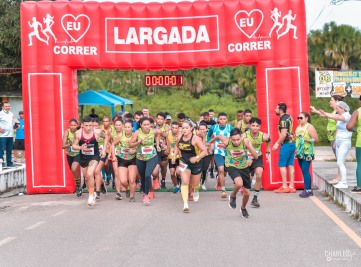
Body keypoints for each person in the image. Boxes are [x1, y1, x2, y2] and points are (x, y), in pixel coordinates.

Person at [209, 128, 259, 218]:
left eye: (238, 139)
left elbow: (256, 156)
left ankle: (243, 208)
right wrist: (210, 142)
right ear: (230, 138)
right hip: (231, 165)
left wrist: (249, 146)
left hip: (243, 167)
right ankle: (233, 195)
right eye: (234, 140)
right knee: (239, 183)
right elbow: (218, 136)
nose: (236, 142)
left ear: (241, 137)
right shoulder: (226, 141)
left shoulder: (245, 141)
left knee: (247, 193)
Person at [172, 120, 207, 213]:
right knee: (185, 181)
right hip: (184, 161)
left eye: (186, 128)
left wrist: (197, 157)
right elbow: (176, 146)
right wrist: (175, 156)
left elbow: (204, 151)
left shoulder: (196, 139)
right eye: (183, 128)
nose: (184, 130)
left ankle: (195, 190)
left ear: (191, 129)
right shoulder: (179, 137)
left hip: (196, 162)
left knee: (195, 185)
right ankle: (185, 204)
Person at [72, 116, 106, 206]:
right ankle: (92, 192)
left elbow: (107, 136)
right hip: (83, 157)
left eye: (90, 125)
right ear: (82, 125)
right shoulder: (78, 133)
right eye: (86, 125)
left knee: (90, 174)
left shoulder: (97, 132)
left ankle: (91, 196)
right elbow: (73, 146)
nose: (88, 128)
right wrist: (80, 147)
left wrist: (104, 149)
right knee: (87, 178)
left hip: (94, 156)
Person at [311, 94, 344, 183]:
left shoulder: (338, 112)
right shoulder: (334, 111)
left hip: (336, 138)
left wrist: (336, 139)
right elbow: (326, 115)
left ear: (337, 102)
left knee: (339, 158)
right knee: (338, 158)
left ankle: (339, 177)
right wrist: (315, 111)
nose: (330, 101)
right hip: (332, 138)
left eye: (331, 100)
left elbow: (339, 125)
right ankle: (340, 176)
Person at [319, 101, 352, 189]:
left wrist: (326, 114)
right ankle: (342, 181)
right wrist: (335, 141)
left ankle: (344, 182)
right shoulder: (340, 116)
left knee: (340, 162)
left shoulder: (347, 115)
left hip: (345, 141)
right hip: (338, 141)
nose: (336, 110)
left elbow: (336, 117)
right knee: (339, 161)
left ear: (343, 108)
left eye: (337, 109)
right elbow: (337, 126)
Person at [130, 117, 160, 205]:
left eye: (148, 125)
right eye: (144, 125)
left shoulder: (153, 131)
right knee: (142, 177)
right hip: (140, 158)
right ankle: (145, 190)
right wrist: (138, 142)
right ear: (141, 125)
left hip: (152, 156)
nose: (147, 127)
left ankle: (146, 196)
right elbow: (130, 144)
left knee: (147, 175)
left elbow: (159, 134)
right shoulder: (137, 132)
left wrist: (157, 144)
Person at [207, 112, 234, 199]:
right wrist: (210, 145)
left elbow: (236, 138)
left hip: (228, 153)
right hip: (218, 152)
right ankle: (223, 191)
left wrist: (228, 145)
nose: (222, 121)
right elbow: (208, 136)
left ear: (227, 120)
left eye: (224, 119)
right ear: (217, 120)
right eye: (221, 119)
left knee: (224, 173)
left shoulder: (230, 128)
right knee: (221, 170)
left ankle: (219, 181)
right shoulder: (213, 127)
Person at [245, 117, 271, 207]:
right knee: (247, 180)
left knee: (259, 175)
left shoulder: (263, 136)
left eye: (257, 126)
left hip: (257, 157)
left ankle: (255, 198)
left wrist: (268, 151)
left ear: (260, 127)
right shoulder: (244, 136)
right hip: (246, 157)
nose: (255, 128)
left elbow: (269, 139)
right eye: (253, 126)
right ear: (249, 126)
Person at [272, 102, 296, 193]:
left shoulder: (283, 120)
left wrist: (276, 144)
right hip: (291, 144)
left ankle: (285, 186)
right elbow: (291, 131)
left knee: (282, 165)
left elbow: (283, 135)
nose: (275, 110)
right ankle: (291, 186)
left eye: (276, 108)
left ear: (280, 110)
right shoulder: (289, 117)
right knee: (290, 165)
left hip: (286, 144)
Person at [112, 120, 137, 202]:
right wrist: (113, 155)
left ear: (132, 128)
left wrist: (135, 150)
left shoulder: (135, 136)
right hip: (122, 159)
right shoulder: (120, 135)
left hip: (132, 160)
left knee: (132, 180)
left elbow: (140, 145)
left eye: (129, 127)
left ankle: (132, 196)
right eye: (125, 127)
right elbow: (113, 144)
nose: (127, 129)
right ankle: (128, 188)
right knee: (123, 181)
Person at [295, 112, 318, 198]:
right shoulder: (298, 128)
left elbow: (316, 139)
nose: (299, 119)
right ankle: (309, 190)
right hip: (300, 152)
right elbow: (297, 139)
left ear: (306, 118)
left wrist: (306, 139)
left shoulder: (309, 127)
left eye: (301, 118)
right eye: (298, 118)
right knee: (304, 170)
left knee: (305, 169)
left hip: (308, 152)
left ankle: (307, 189)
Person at [62, 119, 82, 197]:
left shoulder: (79, 132)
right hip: (70, 154)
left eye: (74, 125)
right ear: (69, 125)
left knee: (74, 168)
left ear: (77, 125)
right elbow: (63, 146)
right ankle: (78, 184)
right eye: (71, 125)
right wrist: (70, 144)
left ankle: (78, 186)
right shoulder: (67, 132)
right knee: (74, 171)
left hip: (78, 154)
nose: (73, 127)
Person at [346, 96, 361, 193]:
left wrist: (354, 129)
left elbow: (349, 126)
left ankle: (359, 186)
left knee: (360, 164)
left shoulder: (357, 112)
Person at [152, 112, 170, 189]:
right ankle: (156, 179)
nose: (159, 120)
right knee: (155, 166)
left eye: (161, 119)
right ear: (156, 119)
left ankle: (163, 179)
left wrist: (167, 147)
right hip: (156, 149)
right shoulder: (153, 126)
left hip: (164, 149)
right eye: (158, 119)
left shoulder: (167, 127)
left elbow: (167, 137)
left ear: (164, 120)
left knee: (163, 166)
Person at [0, 102, 19, 167]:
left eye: (9, 106)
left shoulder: (11, 114)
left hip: (10, 135)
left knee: (9, 149)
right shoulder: (0, 114)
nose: (8, 107)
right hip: (2, 135)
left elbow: (13, 124)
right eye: (6, 106)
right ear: (3, 107)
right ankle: (1, 163)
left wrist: (16, 125)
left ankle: (9, 163)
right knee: (1, 150)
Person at [197, 123, 213, 190]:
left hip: (207, 155)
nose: (202, 131)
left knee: (204, 170)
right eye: (200, 129)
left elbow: (211, 147)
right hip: (198, 155)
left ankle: (203, 183)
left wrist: (210, 149)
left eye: (203, 129)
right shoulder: (196, 137)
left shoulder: (209, 137)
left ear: (206, 129)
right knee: (198, 170)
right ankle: (197, 183)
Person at [166, 121, 181, 193]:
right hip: (171, 156)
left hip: (180, 156)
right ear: (171, 128)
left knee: (178, 172)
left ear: (179, 128)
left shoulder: (181, 135)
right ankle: (176, 185)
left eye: (176, 128)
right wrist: (166, 150)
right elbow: (168, 147)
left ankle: (182, 184)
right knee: (172, 173)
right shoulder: (168, 136)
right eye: (173, 128)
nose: (174, 129)